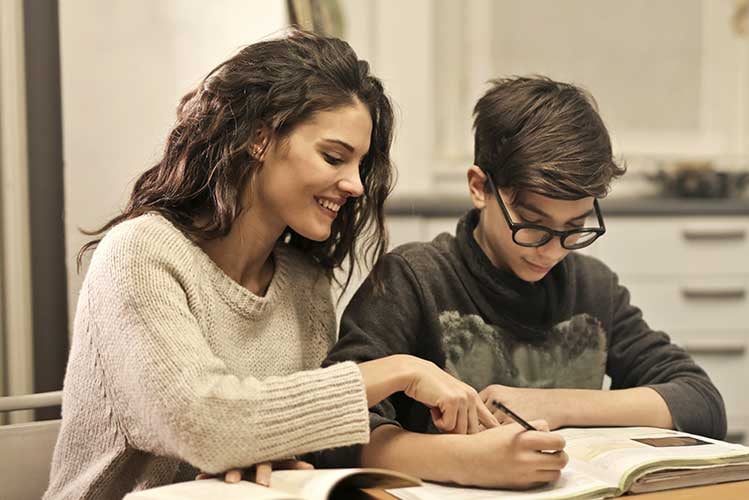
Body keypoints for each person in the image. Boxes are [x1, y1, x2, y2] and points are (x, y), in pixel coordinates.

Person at [44, 29, 501, 500]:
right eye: (334, 157)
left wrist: (274, 449)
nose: (355, 185)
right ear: (259, 138)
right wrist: (400, 369)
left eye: (360, 166)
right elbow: (205, 425)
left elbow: (287, 437)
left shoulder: (304, 284)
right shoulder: (139, 254)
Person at [323, 76, 727, 488]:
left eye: (575, 226)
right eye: (532, 226)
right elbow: (330, 429)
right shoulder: (414, 280)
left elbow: (700, 401)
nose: (552, 251)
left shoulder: (592, 287)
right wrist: (463, 460)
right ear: (479, 187)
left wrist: (554, 405)